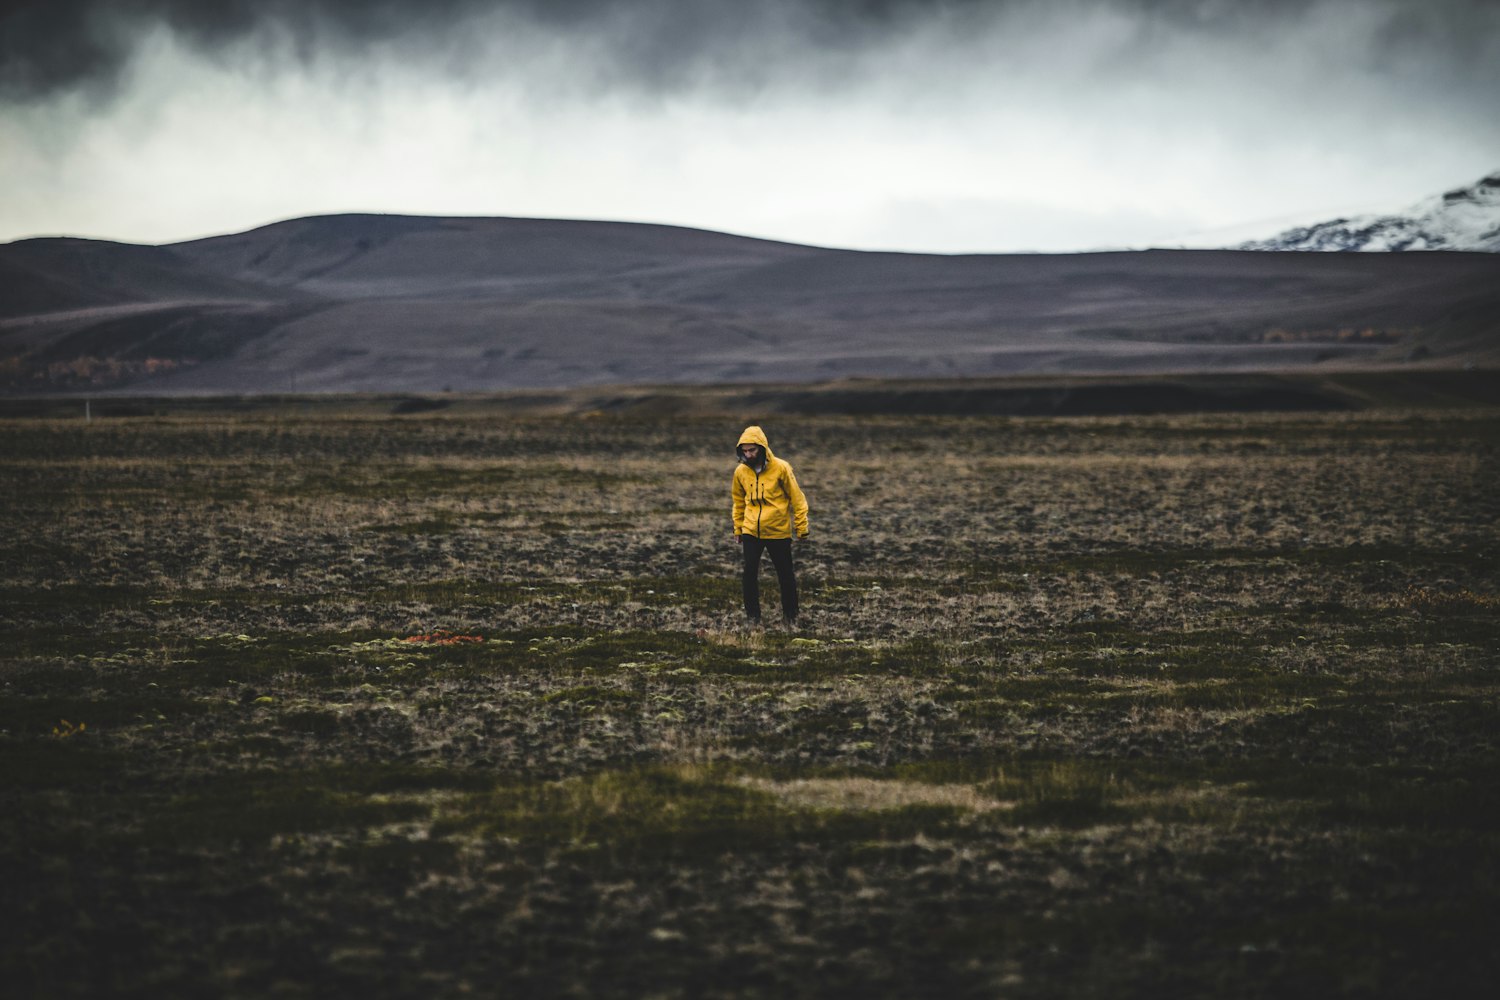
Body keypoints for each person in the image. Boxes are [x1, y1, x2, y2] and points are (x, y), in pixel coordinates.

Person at [731, 425, 809, 628]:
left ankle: (791, 616)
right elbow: (738, 501)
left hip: (777, 531)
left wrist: (801, 527)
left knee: (785, 574)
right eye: (745, 451)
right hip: (751, 531)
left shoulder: (782, 468)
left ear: (762, 448)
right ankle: (753, 617)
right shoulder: (740, 472)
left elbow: (797, 498)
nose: (748, 454)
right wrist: (738, 528)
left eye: (752, 450)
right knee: (749, 574)